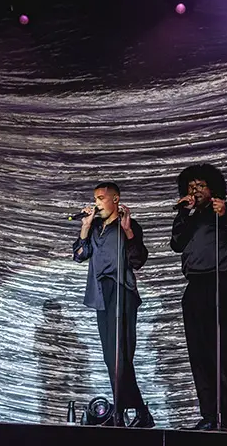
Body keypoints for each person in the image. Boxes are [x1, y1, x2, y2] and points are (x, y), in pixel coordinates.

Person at [171, 163, 227, 431]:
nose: (195, 191)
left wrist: (225, 216)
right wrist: (183, 213)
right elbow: (176, 244)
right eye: (190, 187)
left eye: (200, 186)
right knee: (199, 354)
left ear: (213, 188)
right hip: (194, 286)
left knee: (225, 352)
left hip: (219, 284)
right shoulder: (189, 215)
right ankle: (208, 415)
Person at [72, 182, 153, 428]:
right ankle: (140, 412)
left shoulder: (128, 225)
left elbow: (138, 260)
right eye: (95, 198)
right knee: (111, 357)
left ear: (115, 200)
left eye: (101, 198)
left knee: (121, 355)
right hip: (100, 292)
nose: (96, 203)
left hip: (122, 290)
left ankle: (120, 413)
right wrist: (85, 228)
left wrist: (128, 233)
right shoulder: (95, 227)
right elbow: (78, 255)